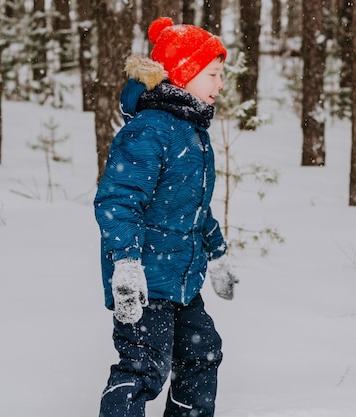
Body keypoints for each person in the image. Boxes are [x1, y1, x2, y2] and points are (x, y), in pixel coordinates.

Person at [93, 16, 239, 417]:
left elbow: (192, 207)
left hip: (181, 279)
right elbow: (118, 202)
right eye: (213, 74)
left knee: (203, 354)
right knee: (144, 368)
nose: (220, 84)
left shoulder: (193, 131)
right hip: (145, 279)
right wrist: (126, 264)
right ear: (183, 74)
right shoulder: (150, 130)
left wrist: (218, 253)